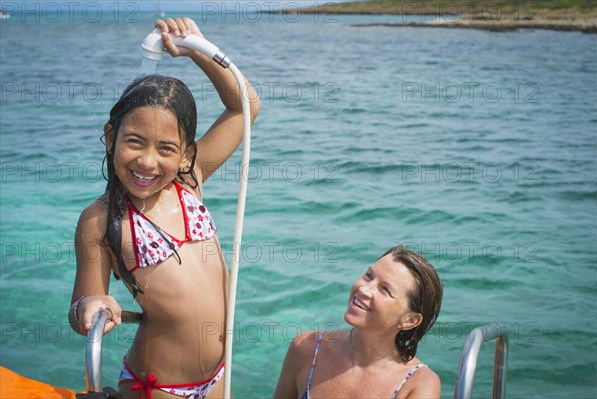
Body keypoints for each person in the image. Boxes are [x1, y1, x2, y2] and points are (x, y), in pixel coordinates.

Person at [68, 17, 260, 399]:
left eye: (166, 149)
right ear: (111, 138)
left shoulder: (191, 179)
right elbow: (80, 308)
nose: (148, 162)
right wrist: (91, 305)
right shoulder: (100, 219)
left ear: (187, 154)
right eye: (134, 141)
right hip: (159, 387)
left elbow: (244, 107)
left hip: (221, 375)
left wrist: (199, 50)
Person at [273, 245, 443, 399]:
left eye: (384, 289)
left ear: (410, 320)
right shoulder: (307, 348)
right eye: (368, 276)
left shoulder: (417, 384)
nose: (364, 289)